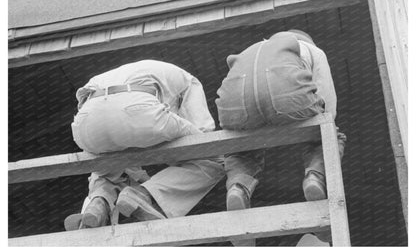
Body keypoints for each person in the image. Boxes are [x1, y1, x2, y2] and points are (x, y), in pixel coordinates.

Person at [215, 29, 346, 245]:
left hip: (236, 106)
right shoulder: (311, 50)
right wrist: (322, 121)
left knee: (240, 148)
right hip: (285, 95)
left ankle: (238, 187)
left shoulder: (251, 50)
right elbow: (327, 106)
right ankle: (315, 177)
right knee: (330, 134)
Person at [64, 59, 225, 230]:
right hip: (138, 110)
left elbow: (101, 115)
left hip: (86, 124)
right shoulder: (189, 80)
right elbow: (203, 132)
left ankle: (98, 203)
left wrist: (138, 176)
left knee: (108, 169)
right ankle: (146, 196)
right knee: (213, 158)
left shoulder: (109, 75)